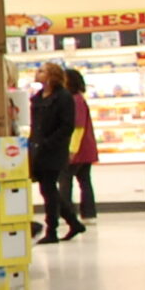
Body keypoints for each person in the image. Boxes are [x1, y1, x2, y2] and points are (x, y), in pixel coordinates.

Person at [26, 61, 84, 243]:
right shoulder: (38, 97)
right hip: (38, 149)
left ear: (52, 75)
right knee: (48, 190)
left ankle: (52, 231)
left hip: (54, 150)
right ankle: (73, 223)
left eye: (42, 71)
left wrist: (49, 142)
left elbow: (67, 126)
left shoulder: (63, 97)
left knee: (49, 189)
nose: (37, 73)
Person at [66, 66, 99, 220]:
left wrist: (72, 150)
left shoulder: (75, 100)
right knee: (85, 182)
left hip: (77, 149)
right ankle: (89, 214)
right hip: (86, 148)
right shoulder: (79, 98)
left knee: (66, 182)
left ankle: (68, 214)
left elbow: (78, 127)